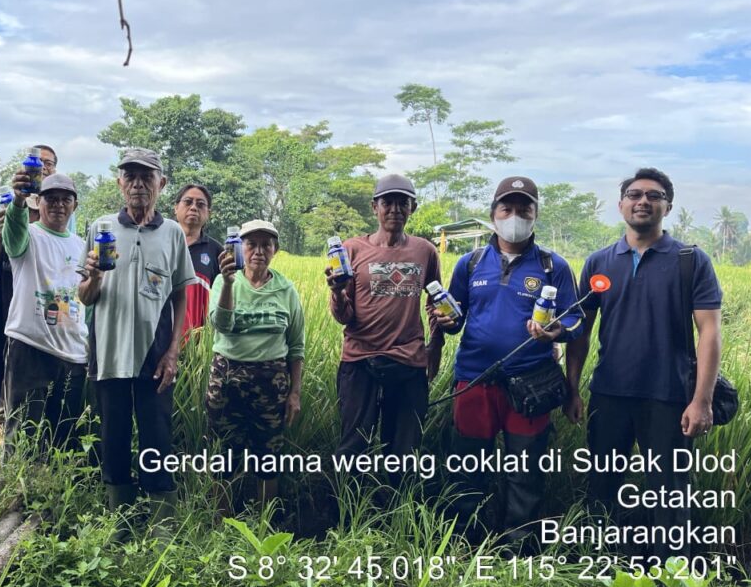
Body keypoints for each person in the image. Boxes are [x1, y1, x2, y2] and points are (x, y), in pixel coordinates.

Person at [566, 167, 722, 560]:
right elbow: (581, 331)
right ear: (621, 205)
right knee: (602, 485)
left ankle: (672, 577)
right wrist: (572, 388)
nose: (643, 201)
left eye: (654, 196)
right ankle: (599, 566)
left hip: (668, 397)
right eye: (635, 195)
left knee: (670, 493)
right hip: (609, 395)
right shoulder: (599, 262)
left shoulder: (691, 261)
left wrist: (701, 400)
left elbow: (709, 332)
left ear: (667, 207)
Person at [432, 176, 582, 546]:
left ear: (535, 215)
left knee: (525, 472)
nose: (515, 216)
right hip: (474, 381)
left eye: (524, 209)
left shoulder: (553, 266)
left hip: (531, 385)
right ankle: (463, 541)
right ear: (493, 214)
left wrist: (556, 333)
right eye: (507, 208)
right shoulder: (470, 264)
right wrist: (445, 321)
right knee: (468, 467)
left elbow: (576, 320)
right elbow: (455, 320)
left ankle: (518, 545)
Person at [77, 148, 195, 540]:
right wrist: (94, 277)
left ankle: (161, 524)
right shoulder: (101, 227)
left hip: (154, 354)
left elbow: (181, 293)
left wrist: (173, 351)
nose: (138, 184)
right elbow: (85, 297)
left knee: (156, 436)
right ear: (119, 183)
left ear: (162, 183)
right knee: (113, 437)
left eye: (147, 177)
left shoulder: (172, 233)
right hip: (109, 353)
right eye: (130, 176)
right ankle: (121, 521)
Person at [327, 174, 444, 491]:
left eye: (402, 203)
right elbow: (344, 317)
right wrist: (337, 293)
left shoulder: (425, 251)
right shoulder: (351, 250)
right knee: (353, 444)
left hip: (408, 361)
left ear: (412, 208)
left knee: (404, 449)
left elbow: (436, 302)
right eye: (387, 202)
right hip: (359, 360)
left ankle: (399, 509)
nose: (395, 209)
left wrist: (436, 345)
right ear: (374, 207)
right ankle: (346, 509)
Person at [0, 145, 62, 454]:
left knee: (26, 400)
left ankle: (22, 463)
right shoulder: (7, 199)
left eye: (49, 164)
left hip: (36, 312)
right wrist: (3, 229)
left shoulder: (57, 205)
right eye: (38, 163)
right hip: (0, 299)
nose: (43, 168)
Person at [207, 219, 304, 515]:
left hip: (271, 384)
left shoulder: (286, 289)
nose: (258, 251)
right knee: (223, 455)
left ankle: (263, 524)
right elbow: (220, 324)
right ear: (240, 248)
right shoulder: (223, 281)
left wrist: (295, 393)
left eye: (266, 245)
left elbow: (296, 346)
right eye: (251, 244)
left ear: (275, 250)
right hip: (226, 379)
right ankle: (220, 524)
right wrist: (228, 284)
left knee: (268, 457)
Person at [2, 172, 88, 455]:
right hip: (31, 347)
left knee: (62, 441)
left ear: (75, 205)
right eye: (51, 198)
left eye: (66, 199)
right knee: (21, 438)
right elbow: (13, 232)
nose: (58, 205)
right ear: (38, 202)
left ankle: (51, 485)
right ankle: (14, 484)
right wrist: (18, 199)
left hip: (73, 353)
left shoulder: (81, 246)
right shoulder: (27, 236)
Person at [172, 183, 222, 334]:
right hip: (160, 336)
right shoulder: (161, 243)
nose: (193, 208)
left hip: (198, 340)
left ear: (208, 213)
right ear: (176, 208)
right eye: (188, 202)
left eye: (200, 204)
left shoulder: (216, 251)